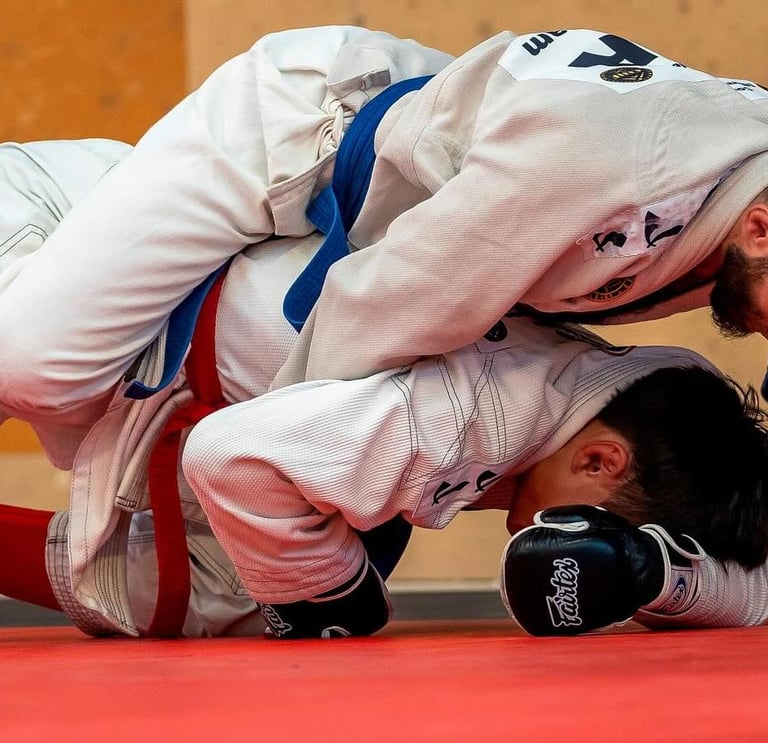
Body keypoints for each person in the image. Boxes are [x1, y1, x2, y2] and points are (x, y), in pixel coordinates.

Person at [1, 141, 768, 640]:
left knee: (217, 595)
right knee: (23, 362)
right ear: (602, 462)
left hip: (134, 316)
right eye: (600, 526)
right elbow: (229, 453)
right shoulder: (461, 420)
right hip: (60, 237)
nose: (577, 545)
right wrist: (331, 596)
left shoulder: (673, 404)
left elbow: (756, 581)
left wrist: (660, 572)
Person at [2, 24, 768, 423]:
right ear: (760, 228)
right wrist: (267, 451)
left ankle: (119, 216)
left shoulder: (740, 177)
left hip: (410, 182)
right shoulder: (603, 172)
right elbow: (368, 309)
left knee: (222, 596)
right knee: (40, 370)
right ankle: (76, 193)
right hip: (291, 133)